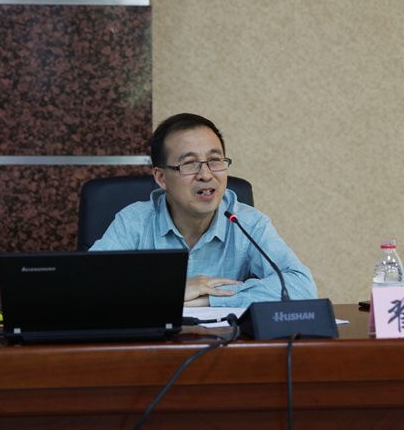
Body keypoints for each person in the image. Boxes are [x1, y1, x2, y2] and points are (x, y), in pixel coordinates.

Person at [89, 113, 317, 308]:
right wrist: (173, 291)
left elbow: (301, 287)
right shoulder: (134, 223)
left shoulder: (247, 223)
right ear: (161, 177)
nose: (206, 175)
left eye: (214, 160)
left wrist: (208, 299)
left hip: (225, 343)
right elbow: (87, 288)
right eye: (189, 163)